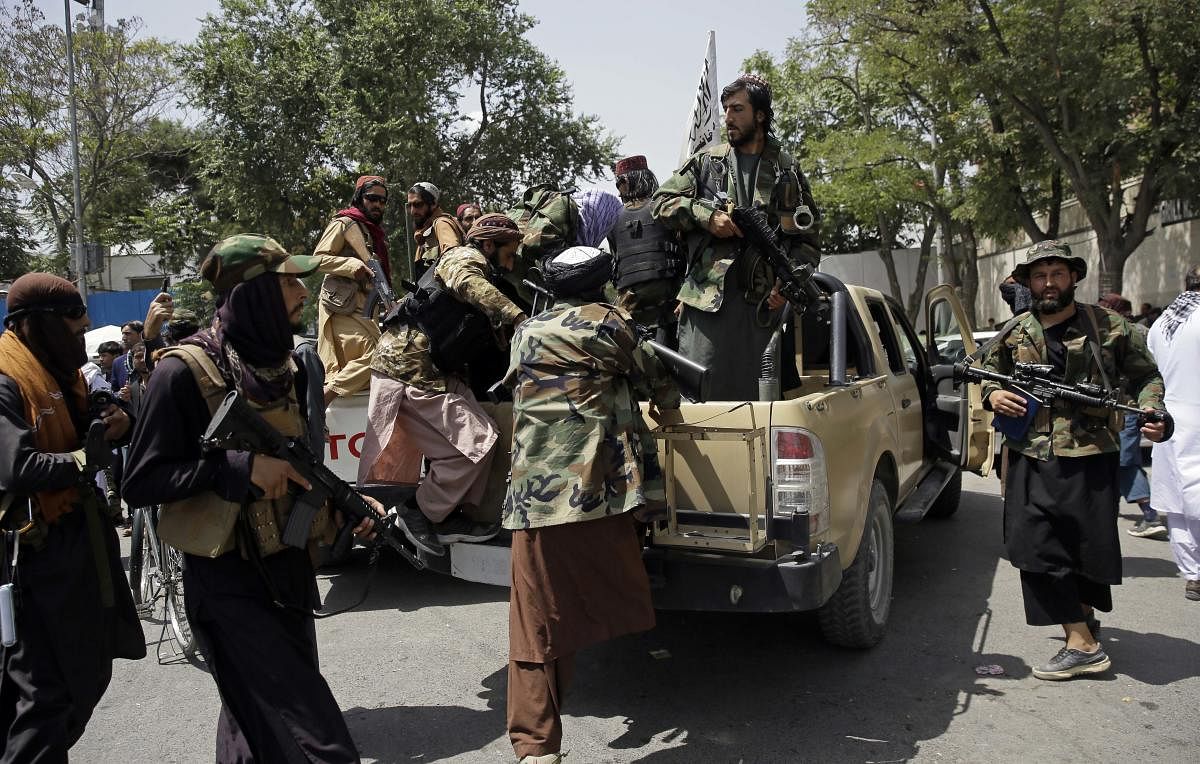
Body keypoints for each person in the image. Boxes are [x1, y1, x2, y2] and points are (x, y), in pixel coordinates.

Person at [122, 235, 376, 762]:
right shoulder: (182, 372)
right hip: (228, 581)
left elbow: (306, 468)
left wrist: (350, 509)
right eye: (289, 283)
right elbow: (141, 481)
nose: (303, 293)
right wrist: (240, 468)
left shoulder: (298, 367)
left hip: (289, 567)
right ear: (254, 293)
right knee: (312, 735)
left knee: (251, 726)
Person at [502, 246, 680, 763]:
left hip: (532, 502)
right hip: (599, 498)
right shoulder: (610, 326)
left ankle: (536, 748)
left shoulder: (526, 332)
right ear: (602, 282)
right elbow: (655, 379)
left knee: (535, 624)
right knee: (585, 604)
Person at [980, 240, 1166, 680]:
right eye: (1040, 276)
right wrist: (995, 395)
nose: (1049, 283)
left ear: (1073, 278)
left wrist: (1155, 411)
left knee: (1088, 549)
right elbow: (987, 377)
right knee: (1034, 547)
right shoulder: (1015, 331)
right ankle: (1081, 640)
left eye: (1057, 274)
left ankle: (1082, 625)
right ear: (1028, 283)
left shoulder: (1109, 326)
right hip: (1031, 453)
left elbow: (1146, 377)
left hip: (1090, 454)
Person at [0, 273, 145, 760]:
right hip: (35, 560)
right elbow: (17, 466)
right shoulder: (6, 375)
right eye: (72, 326)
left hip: (79, 545)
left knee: (81, 676)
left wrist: (114, 417)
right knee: (45, 695)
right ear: (35, 324)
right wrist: (88, 459)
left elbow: (84, 421)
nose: (81, 335)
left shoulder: (56, 369)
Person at [363, 213, 527, 555]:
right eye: (508, 254)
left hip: (432, 372)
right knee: (477, 444)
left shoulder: (486, 268)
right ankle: (419, 512)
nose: (511, 263)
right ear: (487, 245)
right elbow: (468, 282)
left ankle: (447, 514)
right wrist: (520, 319)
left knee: (484, 439)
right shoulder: (463, 258)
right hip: (410, 370)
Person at [653, 74, 820, 400]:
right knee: (702, 398)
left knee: (762, 405)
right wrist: (706, 217)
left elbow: (808, 241)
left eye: (737, 109)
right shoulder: (707, 162)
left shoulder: (786, 170)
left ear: (760, 115)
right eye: (725, 109)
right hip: (707, 308)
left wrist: (787, 288)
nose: (727, 117)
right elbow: (660, 203)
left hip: (761, 309)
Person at [313, 174, 393, 407]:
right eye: (372, 198)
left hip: (366, 308)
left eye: (382, 200)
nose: (378, 204)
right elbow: (317, 259)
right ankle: (325, 398)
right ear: (359, 198)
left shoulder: (374, 234)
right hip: (342, 308)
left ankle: (329, 406)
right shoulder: (344, 223)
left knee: (383, 360)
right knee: (379, 357)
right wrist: (351, 265)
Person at [1147, 264, 1200, 601]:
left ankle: (1193, 575)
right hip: (1192, 415)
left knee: (1177, 503)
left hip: (1169, 418)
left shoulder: (1163, 321)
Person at [1096, 293, 1166, 539]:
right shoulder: (1138, 329)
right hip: (1126, 405)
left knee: (1125, 460)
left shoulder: (1127, 331)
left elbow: (1144, 372)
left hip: (1128, 405)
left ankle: (1150, 515)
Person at [608, 154, 684, 339]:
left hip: (659, 310)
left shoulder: (662, 209)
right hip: (646, 313)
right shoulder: (663, 207)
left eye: (620, 183)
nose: (619, 190)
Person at [409, 181, 465, 280]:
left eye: (418, 205)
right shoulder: (424, 233)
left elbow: (453, 256)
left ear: (433, 204)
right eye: (410, 206)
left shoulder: (441, 223)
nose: (413, 211)